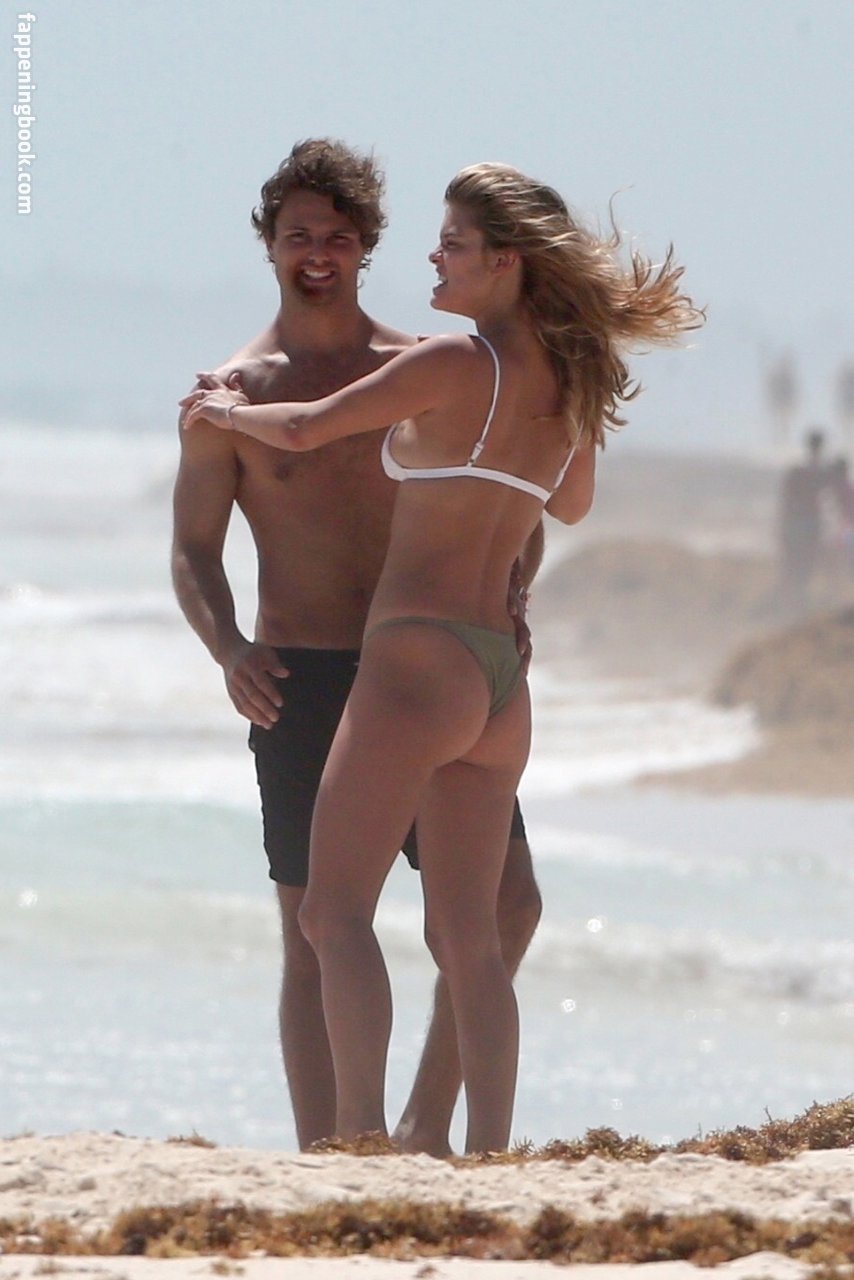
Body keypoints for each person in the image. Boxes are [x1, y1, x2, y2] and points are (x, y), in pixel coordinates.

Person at [182, 161, 702, 1151]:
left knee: (332, 915)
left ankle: (359, 1141)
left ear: (503, 261)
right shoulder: (569, 380)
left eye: (454, 243)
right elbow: (568, 505)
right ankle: (487, 1152)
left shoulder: (456, 361)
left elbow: (306, 428)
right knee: (471, 941)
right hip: (497, 678)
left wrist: (224, 413)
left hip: (414, 663)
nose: (436, 255)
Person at [171, 139, 543, 1157]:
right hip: (304, 674)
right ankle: (331, 1153)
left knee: (505, 907)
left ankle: (424, 1124)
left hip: (422, 670)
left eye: (338, 236)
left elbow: (511, 499)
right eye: (299, 234)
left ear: (366, 245)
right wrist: (228, 648)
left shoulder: (421, 366)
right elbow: (193, 549)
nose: (318, 253)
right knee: (316, 931)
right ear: (269, 244)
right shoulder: (234, 393)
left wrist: (509, 588)